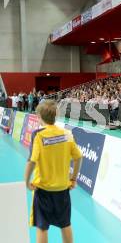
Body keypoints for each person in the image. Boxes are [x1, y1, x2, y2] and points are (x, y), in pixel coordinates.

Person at [24, 100, 83, 243]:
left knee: (42, 227)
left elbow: (32, 161)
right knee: (65, 224)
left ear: (39, 117)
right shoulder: (67, 133)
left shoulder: (38, 135)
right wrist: (73, 179)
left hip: (43, 189)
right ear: (56, 115)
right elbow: (79, 157)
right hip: (63, 189)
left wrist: (26, 181)